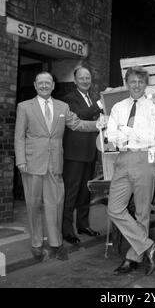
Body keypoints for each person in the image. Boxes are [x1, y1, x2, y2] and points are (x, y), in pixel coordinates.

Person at [14, 71, 100, 261]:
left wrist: (100, 124)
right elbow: (19, 136)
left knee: (56, 204)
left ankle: (56, 243)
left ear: (53, 85)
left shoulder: (62, 106)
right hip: (31, 163)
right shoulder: (24, 107)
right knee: (33, 205)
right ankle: (36, 243)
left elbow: (77, 124)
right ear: (36, 86)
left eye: (48, 83)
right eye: (40, 83)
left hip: (55, 164)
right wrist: (20, 160)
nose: (44, 86)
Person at [106, 66, 155, 276]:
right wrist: (126, 134)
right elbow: (111, 135)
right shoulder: (119, 106)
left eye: (140, 81)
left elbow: (149, 137)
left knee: (142, 212)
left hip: (144, 158)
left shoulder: (151, 108)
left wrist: (125, 131)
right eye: (133, 81)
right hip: (123, 159)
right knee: (114, 208)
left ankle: (134, 257)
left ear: (145, 83)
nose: (136, 85)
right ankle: (149, 246)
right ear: (126, 83)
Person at [61, 67, 103, 244]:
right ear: (75, 81)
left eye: (88, 78)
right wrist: (99, 105)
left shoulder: (93, 97)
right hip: (74, 154)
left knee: (85, 191)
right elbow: (80, 116)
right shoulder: (69, 99)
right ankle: (66, 229)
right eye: (82, 78)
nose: (85, 81)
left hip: (90, 152)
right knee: (71, 192)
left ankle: (83, 224)